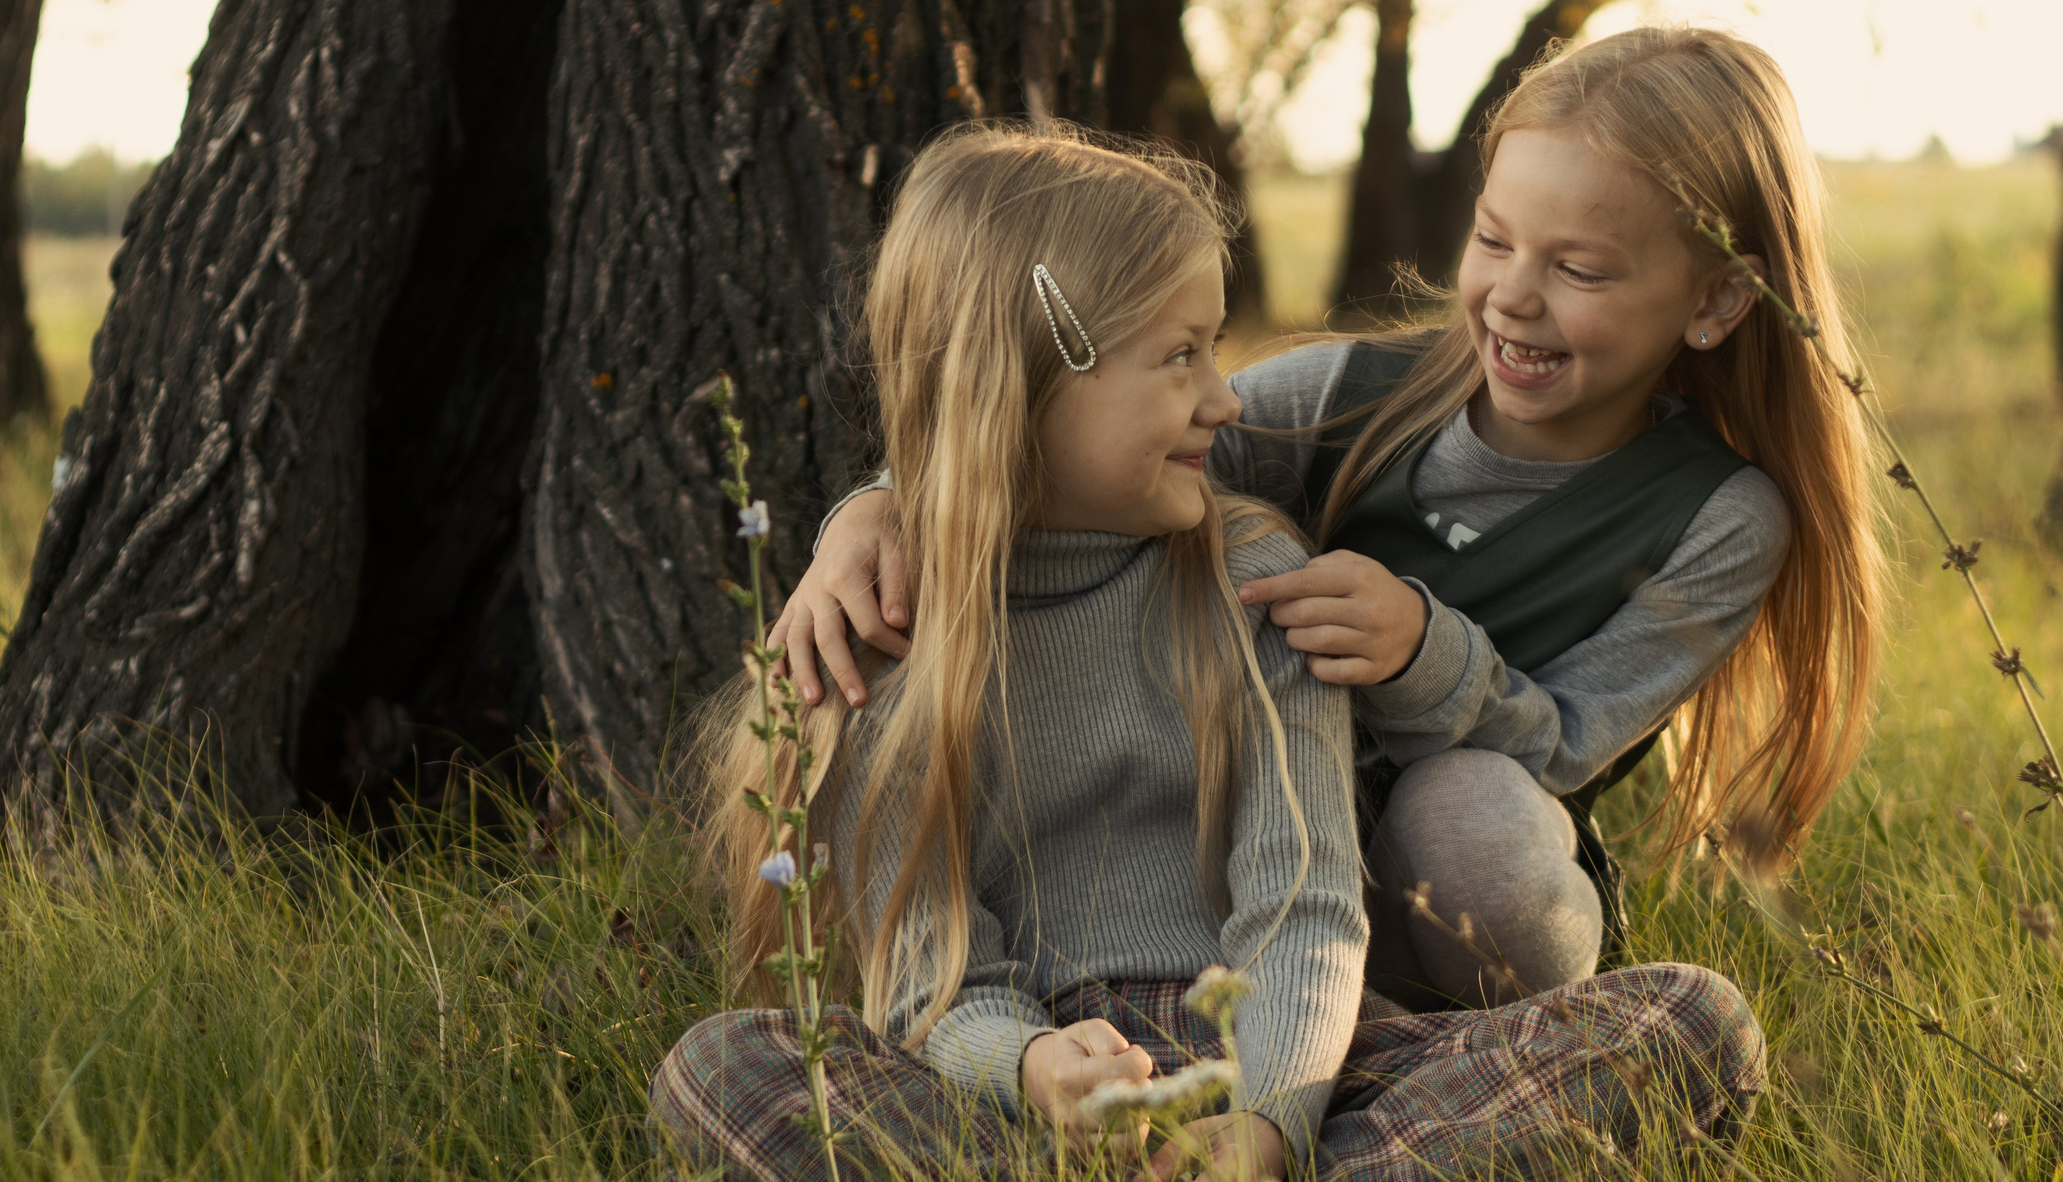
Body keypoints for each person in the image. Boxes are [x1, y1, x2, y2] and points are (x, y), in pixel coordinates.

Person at [653, 122, 1764, 1180]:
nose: (1226, 401)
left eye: (1216, 350)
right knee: (722, 1068)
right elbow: (924, 970)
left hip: (1285, 1054)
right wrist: (1031, 1065)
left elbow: (1304, 900)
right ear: (1028, 379)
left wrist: (1270, 1119)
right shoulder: (890, 639)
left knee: (1691, 1020)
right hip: (1024, 1090)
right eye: (1180, 356)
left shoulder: (1249, 578)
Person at [776, 29, 1885, 1011]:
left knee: (1471, 821)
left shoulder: (1718, 520)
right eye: (1493, 240)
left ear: (1716, 299)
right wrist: (879, 506)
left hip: (1440, 904)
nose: (1513, 295)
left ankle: (1423, 1041)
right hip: (1227, 848)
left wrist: (1419, 649)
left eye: (1580, 269)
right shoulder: (1347, 396)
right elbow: (1078, 452)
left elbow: (1561, 749)